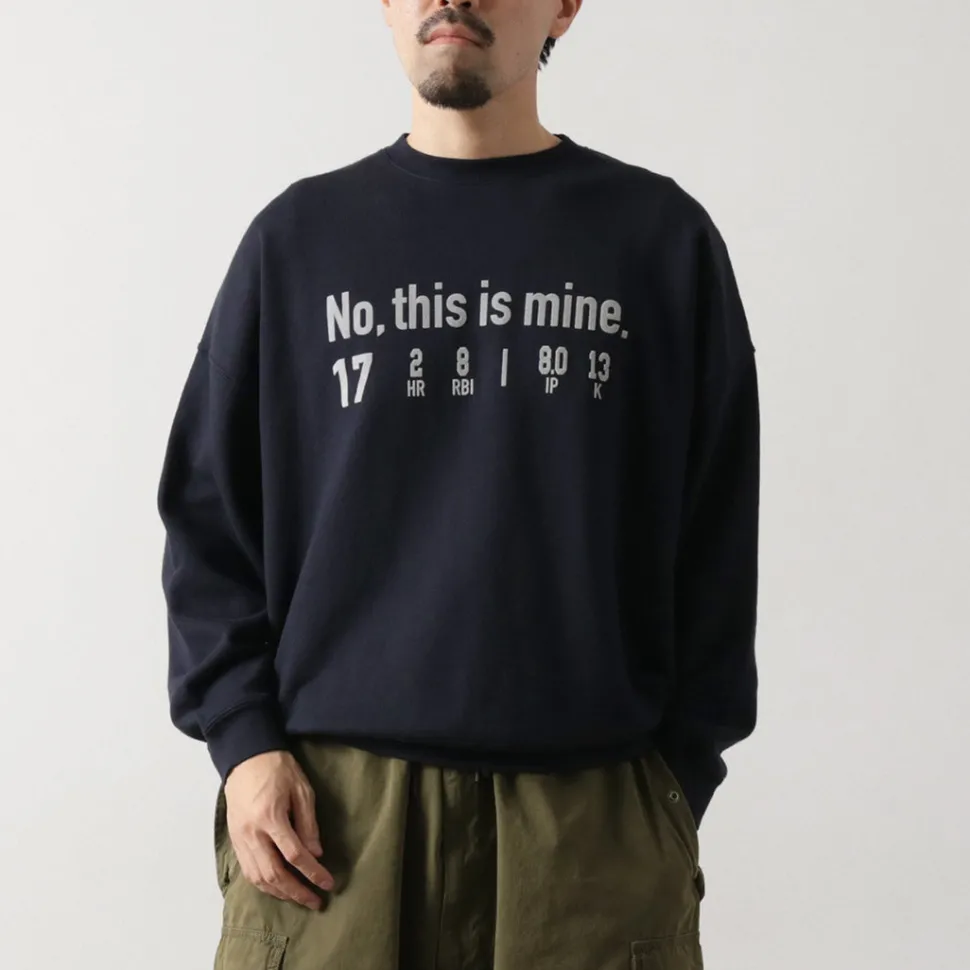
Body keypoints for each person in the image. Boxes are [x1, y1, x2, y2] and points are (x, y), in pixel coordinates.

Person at [155, 1, 760, 967]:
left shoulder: (658, 240)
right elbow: (209, 519)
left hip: (592, 820)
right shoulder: (299, 240)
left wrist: (667, 791)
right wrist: (244, 743)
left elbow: (717, 533)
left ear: (565, 5)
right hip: (332, 820)